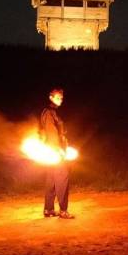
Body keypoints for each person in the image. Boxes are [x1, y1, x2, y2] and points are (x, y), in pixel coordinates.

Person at [39, 87, 73, 219]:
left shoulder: (52, 112)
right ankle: (63, 210)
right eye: (58, 97)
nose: (61, 100)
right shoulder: (49, 113)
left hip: (51, 151)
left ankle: (48, 209)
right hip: (55, 151)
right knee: (62, 177)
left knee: (51, 179)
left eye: (62, 98)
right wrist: (59, 149)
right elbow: (51, 132)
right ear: (51, 97)